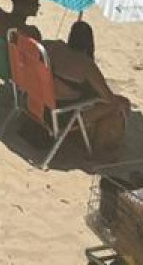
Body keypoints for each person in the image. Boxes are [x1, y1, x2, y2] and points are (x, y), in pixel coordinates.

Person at [45, 21, 130, 161]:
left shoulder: (54, 48)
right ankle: (98, 149)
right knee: (118, 104)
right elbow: (109, 98)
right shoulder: (86, 65)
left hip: (41, 105)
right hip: (62, 116)